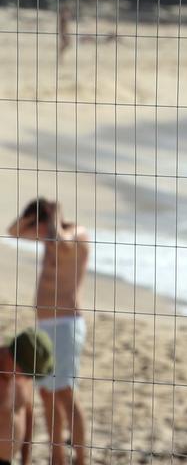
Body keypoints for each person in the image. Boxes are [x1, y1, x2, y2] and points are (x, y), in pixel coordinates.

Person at [6, 199, 91, 465]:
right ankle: (57, 457)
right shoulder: (47, 237)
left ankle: (80, 458)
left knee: (65, 391)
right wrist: (31, 218)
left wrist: (55, 216)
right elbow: (13, 231)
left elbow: (61, 243)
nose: (40, 232)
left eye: (40, 225)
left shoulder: (76, 234)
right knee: (46, 393)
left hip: (66, 323)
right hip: (45, 325)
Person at [1, 328, 56, 465]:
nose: (29, 378)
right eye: (27, 373)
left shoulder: (24, 378)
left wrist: (26, 459)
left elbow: (28, 416)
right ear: (13, 360)